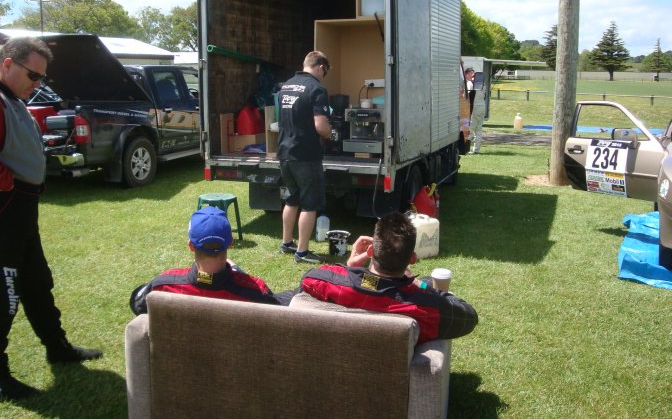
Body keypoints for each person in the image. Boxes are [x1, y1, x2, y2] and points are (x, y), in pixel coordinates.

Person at [0, 37, 102, 402]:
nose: (38, 83)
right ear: (6, 64)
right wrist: (6, 183)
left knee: (36, 281)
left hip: (14, 209)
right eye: (33, 75)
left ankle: (57, 347)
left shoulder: (9, 97)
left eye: (41, 77)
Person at [299, 212, 478, 343]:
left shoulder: (331, 283)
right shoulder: (426, 307)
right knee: (427, 281)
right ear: (412, 259)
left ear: (370, 252)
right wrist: (419, 284)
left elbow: (308, 278)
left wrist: (351, 268)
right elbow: (468, 317)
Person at [130, 206, 287, 314]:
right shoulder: (255, 291)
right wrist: (237, 272)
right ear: (231, 243)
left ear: (191, 245)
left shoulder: (163, 286)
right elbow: (278, 310)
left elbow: (137, 303)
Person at [276, 50, 332, 264]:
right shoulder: (317, 89)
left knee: (291, 198)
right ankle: (302, 252)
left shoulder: (287, 85)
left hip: (285, 152)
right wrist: (331, 132)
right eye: (324, 72)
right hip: (306, 154)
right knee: (309, 203)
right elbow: (320, 126)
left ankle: (286, 242)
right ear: (320, 68)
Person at [464, 67, 486, 154]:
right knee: (479, 129)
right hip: (482, 106)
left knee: (471, 128)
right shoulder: (483, 84)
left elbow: (468, 96)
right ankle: (476, 149)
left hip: (474, 107)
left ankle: (466, 147)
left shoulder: (470, 83)